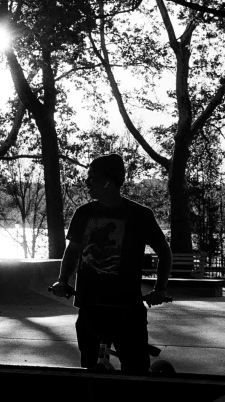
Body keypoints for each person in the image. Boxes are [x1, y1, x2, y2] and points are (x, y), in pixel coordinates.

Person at [51, 153, 172, 373]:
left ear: (108, 182)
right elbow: (73, 251)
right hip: (90, 306)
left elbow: (165, 252)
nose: (87, 183)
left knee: (135, 370)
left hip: (127, 307)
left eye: (92, 177)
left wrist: (160, 288)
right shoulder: (83, 214)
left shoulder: (140, 215)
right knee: (90, 366)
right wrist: (62, 280)